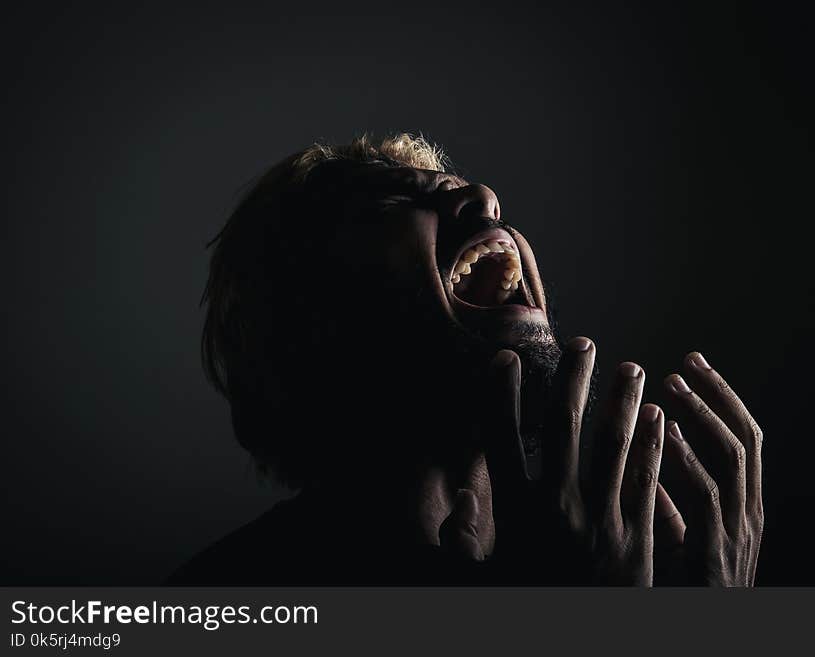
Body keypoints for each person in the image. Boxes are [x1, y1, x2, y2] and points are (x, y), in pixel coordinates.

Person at [170, 134, 763, 585]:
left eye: (468, 189)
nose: (485, 197)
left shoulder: (637, 560)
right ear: (305, 314)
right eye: (393, 198)